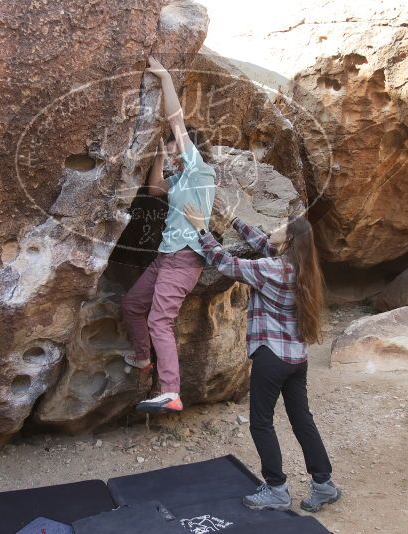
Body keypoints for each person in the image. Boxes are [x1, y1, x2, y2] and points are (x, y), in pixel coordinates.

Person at [183, 197, 340, 513]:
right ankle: (323, 484)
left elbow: (227, 264)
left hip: (272, 359)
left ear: (290, 239)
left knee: (261, 423)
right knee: (301, 418)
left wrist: (201, 229)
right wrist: (231, 218)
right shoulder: (302, 268)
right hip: (297, 359)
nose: (275, 229)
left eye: (282, 227)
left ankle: (277, 489)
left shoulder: (272, 269)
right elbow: (263, 243)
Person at [119, 56, 216, 414]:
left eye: (178, 147)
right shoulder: (181, 178)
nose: (176, 149)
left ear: (191, 151)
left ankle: (170, 391)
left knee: (160, 320)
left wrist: (163, 78)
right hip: (165, 258)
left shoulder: (200, 170)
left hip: (185, 258)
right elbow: (155, 188)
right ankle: (143, 359)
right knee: (132, 305)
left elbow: (176, 121)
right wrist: (160, 154)